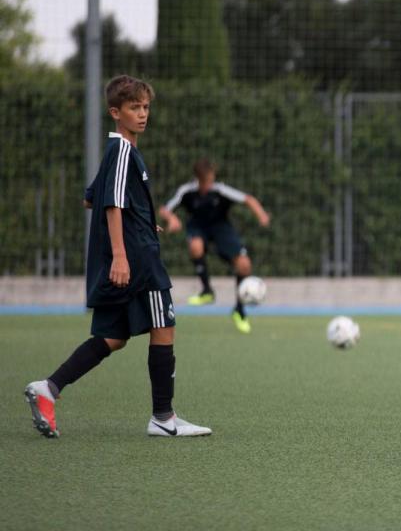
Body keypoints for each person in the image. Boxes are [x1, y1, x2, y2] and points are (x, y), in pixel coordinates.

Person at [24, 75, 211, 438]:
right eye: (134, 108)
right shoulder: (124, 151)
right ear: (115, 112)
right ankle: (163, 417)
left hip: (135, 247)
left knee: (114, 336)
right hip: (139, 261)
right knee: (164, 325)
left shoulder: (117, 152)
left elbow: (90, 197)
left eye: (145, 107)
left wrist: (141, 221)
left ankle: (48, 388)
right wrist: (121, 255)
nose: (142, 114)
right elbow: (109, 204)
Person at [158, 159, 270, 334]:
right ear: (198, 179)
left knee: (244, 265)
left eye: (211, 180)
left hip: (221, 228)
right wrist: (172, 219)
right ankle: (207, 291)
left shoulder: (221, 190)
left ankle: (239, 311)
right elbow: (165, 209)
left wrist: (261, 214)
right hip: (198, 227)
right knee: (195, 246)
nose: (208, 184)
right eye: (205, 181)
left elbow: (248, 199)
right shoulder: (187, 191)